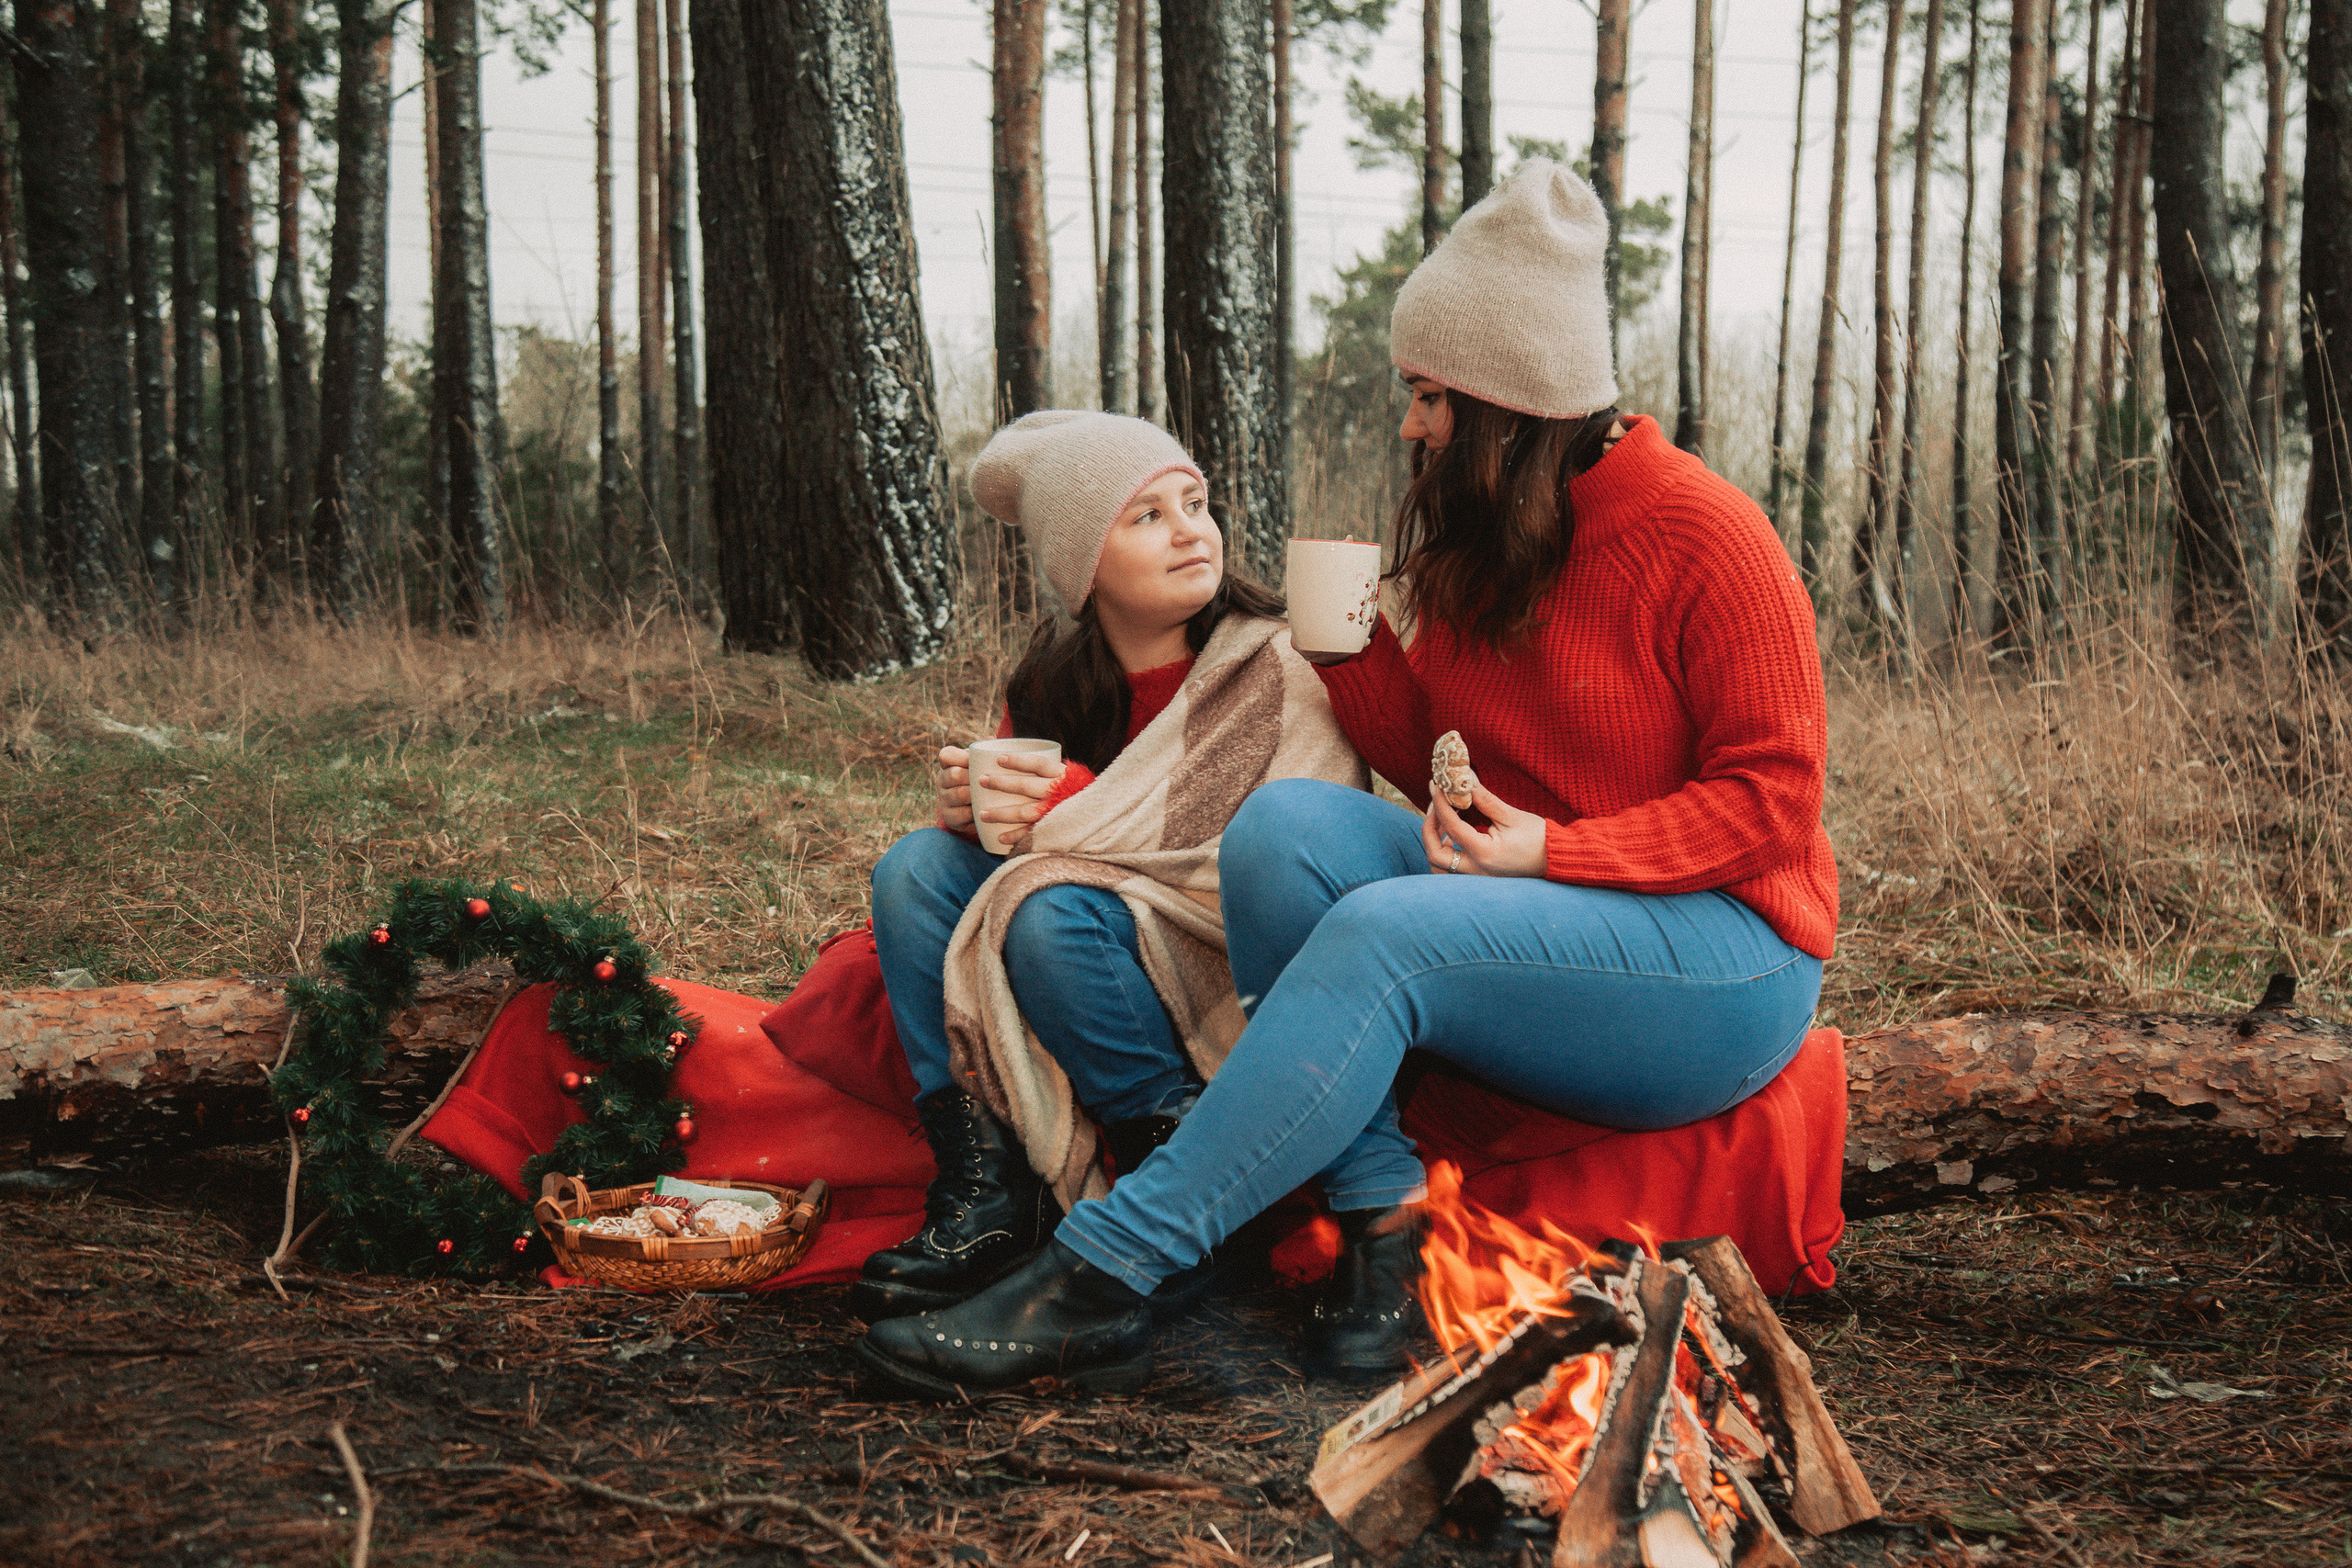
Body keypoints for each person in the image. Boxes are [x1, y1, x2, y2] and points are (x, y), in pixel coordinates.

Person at [854, 161, 1838, 1396]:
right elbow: (1432, 754)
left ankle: (1107, 1273)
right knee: (1285, 832)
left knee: (1384, 932)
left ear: (1505, 401)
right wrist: (1353, 648)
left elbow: (1773, 804)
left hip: (1727, 958)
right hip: (1550, 913)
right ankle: (1383, 1232)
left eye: (1429, 396)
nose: (1413, 425)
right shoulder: (1499, 537)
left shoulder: (1708, 535)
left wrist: (1554, 850)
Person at [851, 411, 1364, 1326]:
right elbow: (1030, 849)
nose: (1190, 531)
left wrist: (1068, 809)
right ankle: (990, 1189)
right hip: (1086, 944)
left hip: (1218, 950)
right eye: (1148, 516)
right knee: (916, 869)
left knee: (1050, 911)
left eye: (1195, 504)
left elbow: (1267, 855)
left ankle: (1181, 1186)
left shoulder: (1277, 660)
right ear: (1083, 561)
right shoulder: (1052, 684)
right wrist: (976, 815)